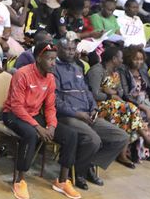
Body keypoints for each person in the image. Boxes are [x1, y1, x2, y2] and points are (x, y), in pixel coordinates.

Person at [2, 42, 81, 199]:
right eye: (50, 59)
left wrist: (51, 125)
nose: (53, 63)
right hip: (13, 114)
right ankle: (19, 181)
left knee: (70, 135)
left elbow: (50, 106)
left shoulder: (50, 78)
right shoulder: (23, 74)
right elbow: (17, 106)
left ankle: (62, 181)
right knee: (31, 134)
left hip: (34, 114)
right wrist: (38, 127)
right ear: (38, 58)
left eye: (54, 59)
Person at [54, 39, 130, 189]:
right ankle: (79, 173)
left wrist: (94, 108)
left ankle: (87, 164)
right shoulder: (54, 68)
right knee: (93, 140)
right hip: (68, 116)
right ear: (58, 49)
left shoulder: (77, 68)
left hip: (88, 114)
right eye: (67, 49)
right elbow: (55, 100)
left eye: (72, 49)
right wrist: (77, 114)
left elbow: (87, 92)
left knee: (121, 137)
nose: (70, 52)